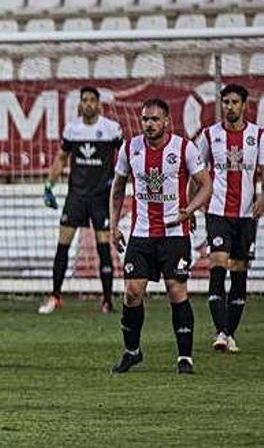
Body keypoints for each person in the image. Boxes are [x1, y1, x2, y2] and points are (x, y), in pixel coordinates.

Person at [109, 98, 212, 375]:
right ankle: (132, 352)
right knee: (132, 293)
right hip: (141, 233)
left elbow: (206, 184)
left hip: (174, 233)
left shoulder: (183, 148)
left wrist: (188, 211)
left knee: (176, 290)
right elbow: (117, 188)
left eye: (155, 119)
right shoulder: (130, 148)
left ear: (166, 121)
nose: (149, 124)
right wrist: (113, 226)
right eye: (145, 119)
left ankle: (185, 358)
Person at [40, 87, 123, 314]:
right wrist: (49, 185)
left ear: (98, 105)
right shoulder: (72, 129)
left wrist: (121, 185)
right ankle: (55, 296)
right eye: (84, 100)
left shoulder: (110, 129)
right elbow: (61, 157)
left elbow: (125, 156)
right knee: (63, 244)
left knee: (103, 246)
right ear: (80, 104)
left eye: (92, 101)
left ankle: (107, 300)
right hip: (76, 195)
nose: (88, 104)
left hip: (100, 197)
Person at [195, 84, 263, 354]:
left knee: (239, 271)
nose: (230, 107)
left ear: (245, 105)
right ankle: (221, 332)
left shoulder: (257, 135)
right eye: (225, 102)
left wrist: (262, 198)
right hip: (218, 211)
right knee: (218, 264)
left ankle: (229, 332)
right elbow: (196, 173)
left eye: (235, 102)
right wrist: (190, 207)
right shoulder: (209, 135)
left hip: (246, 214)